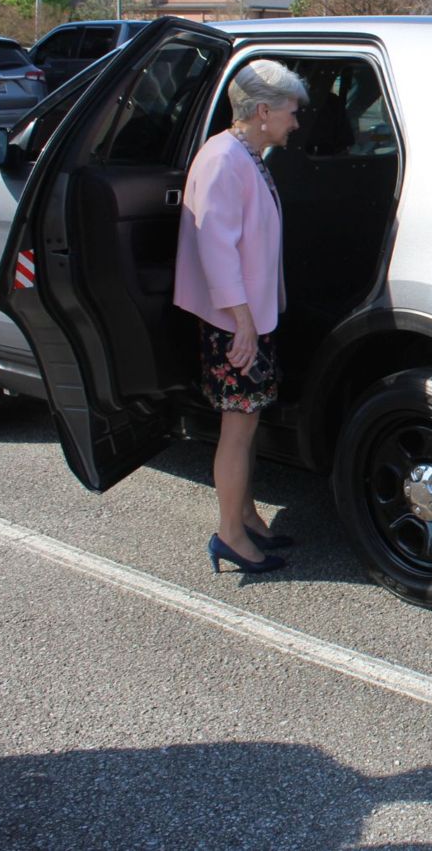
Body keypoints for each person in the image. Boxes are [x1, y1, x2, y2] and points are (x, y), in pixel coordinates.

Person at [174, 59, 308, 574]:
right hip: (235, 320)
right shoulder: (224, 159)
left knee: (247, 423)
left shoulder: (246, 155)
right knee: (237, 426)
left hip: (250, 315)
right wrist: (243, 322)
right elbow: (216, 248)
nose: (294, 122)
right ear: (263, 110)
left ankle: (246, 514)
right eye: (290, 113)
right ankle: (229, 533)